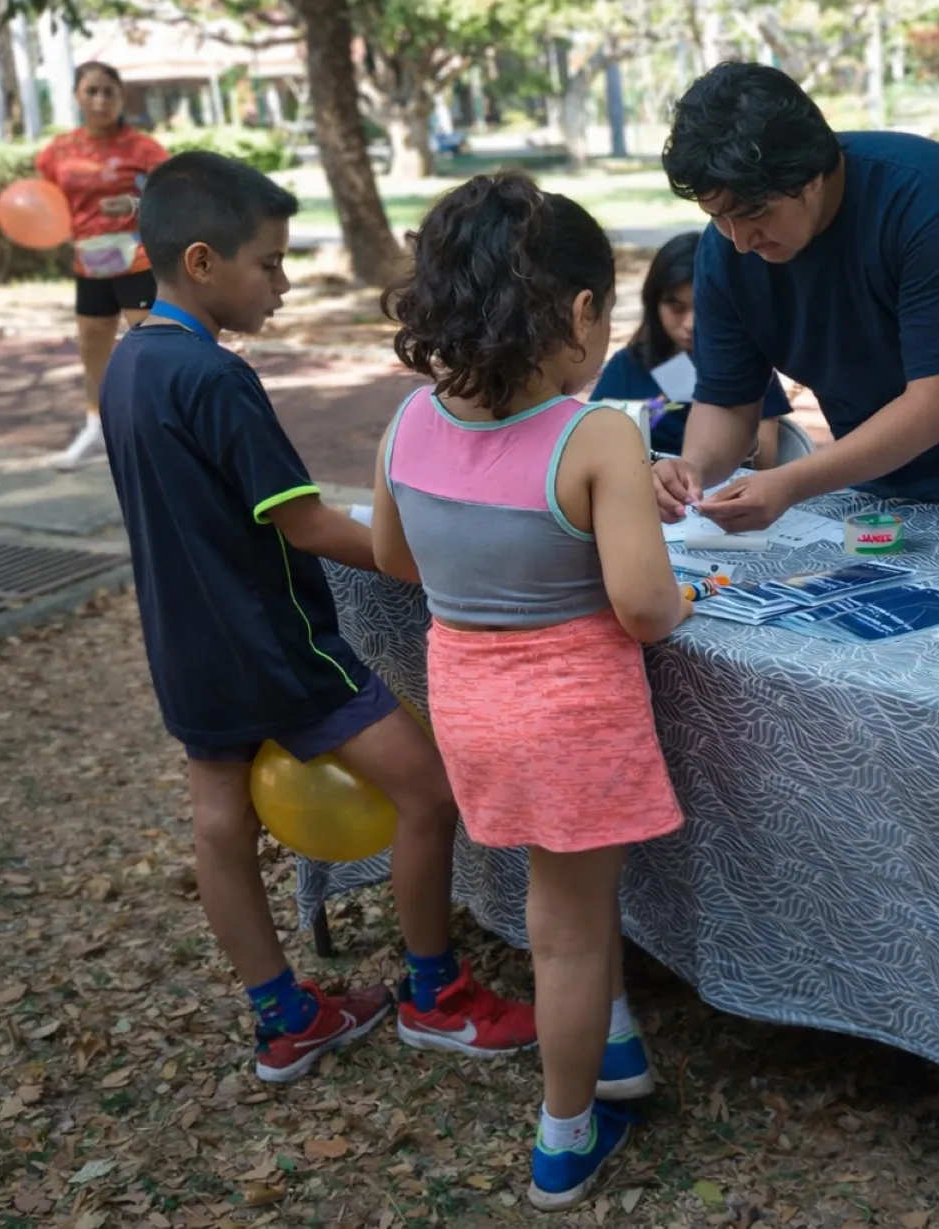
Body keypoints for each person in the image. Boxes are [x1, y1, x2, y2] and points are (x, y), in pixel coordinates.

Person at [96, 152, 536, 1086]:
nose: (284, 284)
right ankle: (436, 995)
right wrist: (430, 556)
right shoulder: (214, 376)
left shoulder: (128, 360)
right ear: (203, 261)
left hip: (183, 646)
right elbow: (306, 522)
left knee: (219, 825)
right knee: (428, 793)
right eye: (270, 263)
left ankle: (284, 1018)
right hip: (275, 646)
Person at [375, 173, 688, 1211]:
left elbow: (397, 558)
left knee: (563, 907)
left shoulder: (407, 421)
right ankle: (566, 1133)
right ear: (583, 310)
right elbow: (644, 605)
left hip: (469, 702)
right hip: (572, 717)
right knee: (572, 930)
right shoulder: (595, 434)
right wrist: (686, 594)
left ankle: (618, 1047)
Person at [652, 63, 939, 529]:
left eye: (755, 213)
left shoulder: (931, 199)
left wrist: (790, 482)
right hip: (865, 459)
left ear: (811, 176)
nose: (741, 241)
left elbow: (938, 406)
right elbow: (728, 401)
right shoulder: (723, 251)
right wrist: (692, 470)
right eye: (717, 217)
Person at [35, 61, 167, 471]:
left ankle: (163, 434)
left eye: (109, 91)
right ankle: (96, 428)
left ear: (121, 97)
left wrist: (133, 205)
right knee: (93, 350)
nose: (100, 100)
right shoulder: (58, 151)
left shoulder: (142, 148)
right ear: (77, 96)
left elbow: (175, 196)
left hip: (138, 261)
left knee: (153, 349)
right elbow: (41, 200)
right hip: (90, 264)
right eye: (91, 91)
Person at [590, 232, 794, 465]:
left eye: (703, 307)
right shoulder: (627, 366)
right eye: (677, 308)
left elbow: (765, 459)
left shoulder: (749, 364)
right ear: (654, 304)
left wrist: (740, 441)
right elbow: (590, 441)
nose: (690, 324)